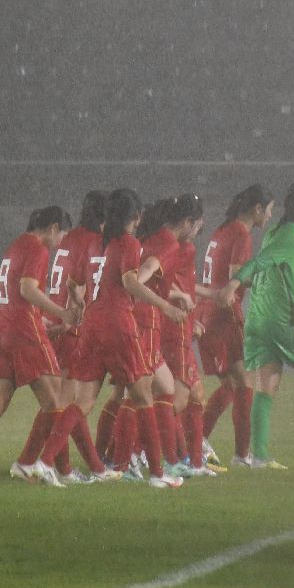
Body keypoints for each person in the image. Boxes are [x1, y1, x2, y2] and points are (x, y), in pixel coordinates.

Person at [217, 180, 294, 470]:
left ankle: (260, 456)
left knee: (266, 386)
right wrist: (233, 283)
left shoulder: (274, 231)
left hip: (258, 318)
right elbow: (259, 263)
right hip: (280, 321)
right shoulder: (291, 234)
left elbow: (269, 275)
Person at [0, 206, 80, 486]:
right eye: (62, 235)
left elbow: (14, 295)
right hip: (23, 331)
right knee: (56, 401)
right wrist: (61, 313)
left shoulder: (15, 246)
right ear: (53, 228)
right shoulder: (38, 249)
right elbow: (27, 289)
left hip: (1, 328)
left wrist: (43, 319)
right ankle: (55, 469)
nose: (60, 242)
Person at [74, 188, 188, 489]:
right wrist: (164, 304)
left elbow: (81, 284)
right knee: (139, 396)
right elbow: (135, 277)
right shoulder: (155, 242)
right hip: (129, 322)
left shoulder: (101, 242)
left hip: (94, 322)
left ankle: (59, 461)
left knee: (88, 401)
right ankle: (135, 465)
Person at [11, 190, 118, 483]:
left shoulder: (70, 239)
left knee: (61, 403)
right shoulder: (94, 241)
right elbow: (82, 284)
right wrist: (73, 320)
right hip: (72, 325)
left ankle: (57, 466)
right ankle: (46, 464)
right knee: (66, 404)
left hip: (58, 321)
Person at [198, 184, 274, 467]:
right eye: (269, 210)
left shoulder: (223, 230)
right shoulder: (241, 234)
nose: (270, 216)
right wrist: (270, 279)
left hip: (206, 313)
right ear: (257, 208)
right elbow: (236, 276)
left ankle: (197, 441)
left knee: (231, 385)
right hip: (224, 315)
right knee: (243, 384)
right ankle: (240, 454)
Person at [159, 194, 219, 476]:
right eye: (197, 224)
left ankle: (192, 462)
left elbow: (183, 287)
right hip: (174, 328)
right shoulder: (177, 248)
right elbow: (163, 283)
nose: (198, 230)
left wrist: (207, 298)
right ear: (187, 222)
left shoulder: (177, 246)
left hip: (179, 325)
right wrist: (182, 304)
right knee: (178, 401)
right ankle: (145, 451)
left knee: (195, 397)